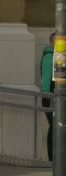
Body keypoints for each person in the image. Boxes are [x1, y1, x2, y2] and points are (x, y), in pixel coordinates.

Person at [40, 32, 56, 161]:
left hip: (54, 98)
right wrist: (46, 92)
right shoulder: (49, 56)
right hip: (50, 98)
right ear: (51, 42)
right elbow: (46, 78)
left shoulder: (57, 56)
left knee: (56, 127)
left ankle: (55, 158)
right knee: (56, 127)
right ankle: (53, 158)